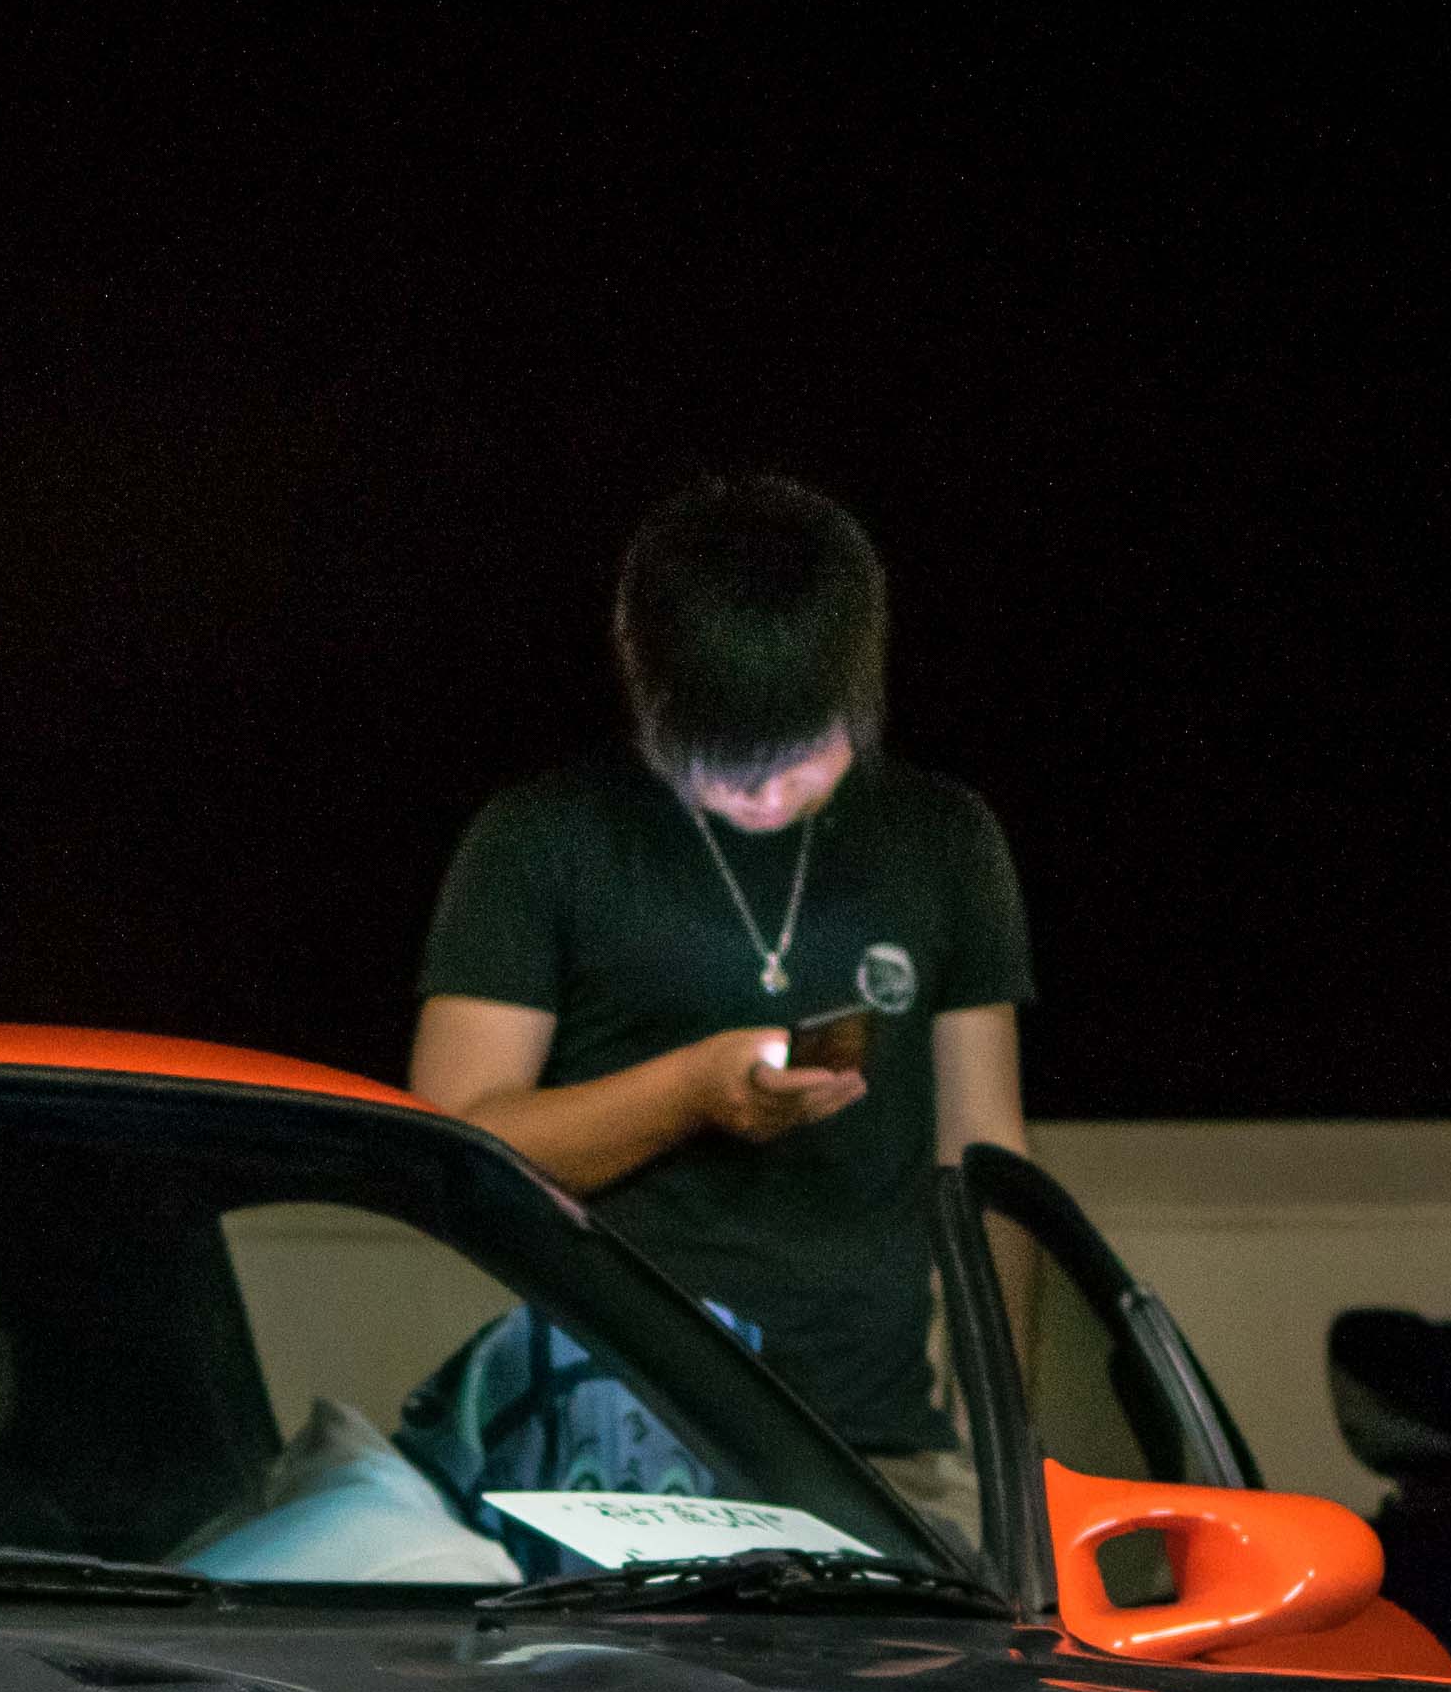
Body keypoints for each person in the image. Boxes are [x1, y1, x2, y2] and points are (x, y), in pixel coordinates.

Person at [407, 475, 1033, 1528]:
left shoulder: (943, 841)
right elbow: (455, 1148)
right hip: (612, 1449)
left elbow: (985, 1160)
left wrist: (1008, 1452)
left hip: (882, 1450)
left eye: (797, 757)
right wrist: (691, 1093)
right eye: (722, 764)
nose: (764, 794)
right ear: (641, 674)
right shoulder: (540, 840)